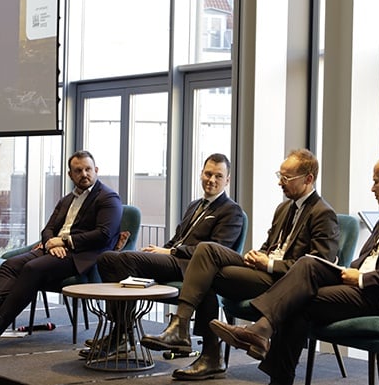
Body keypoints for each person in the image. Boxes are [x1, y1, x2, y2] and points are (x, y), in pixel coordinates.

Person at [209, 152, 379, 385]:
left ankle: (265, 340)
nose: (372, 188)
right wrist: (346, 273)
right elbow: (367, 261)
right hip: (365, 288)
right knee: (309, 264)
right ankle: (263, 338)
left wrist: (362, 279)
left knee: (299, 300)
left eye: (376, 181)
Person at [140, 148, 340, 380]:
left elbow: (318, 266)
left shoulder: (323, 213)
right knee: (206, 251)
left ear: (308, 179)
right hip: (263, 270)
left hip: (283, 283)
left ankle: (208, 354)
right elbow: (270, 246)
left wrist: (269, 265)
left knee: (204, 275)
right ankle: (181, 325)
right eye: (280, 176)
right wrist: (259, 256)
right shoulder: (284, 208)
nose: (280, 183)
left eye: (286, 178)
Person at [0, 150, 123, 347]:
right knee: (10, 264)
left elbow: (103, 234)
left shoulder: (108, 197)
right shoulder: (67, 199)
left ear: (96, 170)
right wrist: (50, 242)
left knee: (32, 268)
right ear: (70, 175)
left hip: (81, 255)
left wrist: (64, 242)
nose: (84, 174)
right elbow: (48, 229)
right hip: (54, 250)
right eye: (78, 171)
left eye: (88, 169)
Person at [91, 153, 244, 357]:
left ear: (227, 180)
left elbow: (215, 250)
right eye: (208, 174)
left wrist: (170, 252)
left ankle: (122, 335)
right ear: (201, 174)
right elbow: (177, 239)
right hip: (172, 261)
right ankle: (122, 329)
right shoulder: (195, 205)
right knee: (108, 258)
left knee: (124, 259)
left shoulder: (231, 211)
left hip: (191, 267)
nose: (211, 180)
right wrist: (158, 251)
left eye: (218, 176)